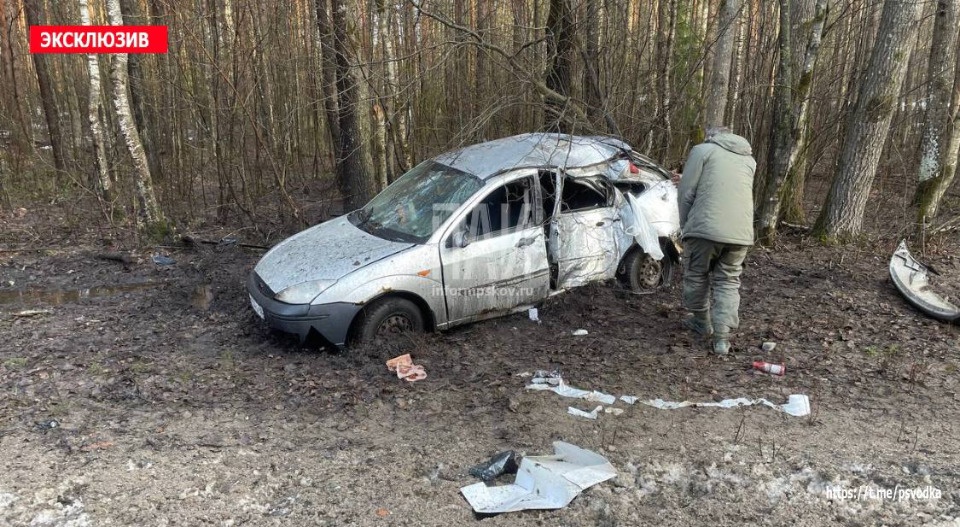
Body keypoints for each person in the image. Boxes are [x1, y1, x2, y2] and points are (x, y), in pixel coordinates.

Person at [676, 126, 756, 355]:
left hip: (705, 229)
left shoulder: (702, 151)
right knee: (728, 281)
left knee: (696, 274)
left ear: (710, 136)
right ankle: (722, 338)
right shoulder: (749, 160)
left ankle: (701, 321)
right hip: (741, 233)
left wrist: (685, 225)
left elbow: (686, 192)